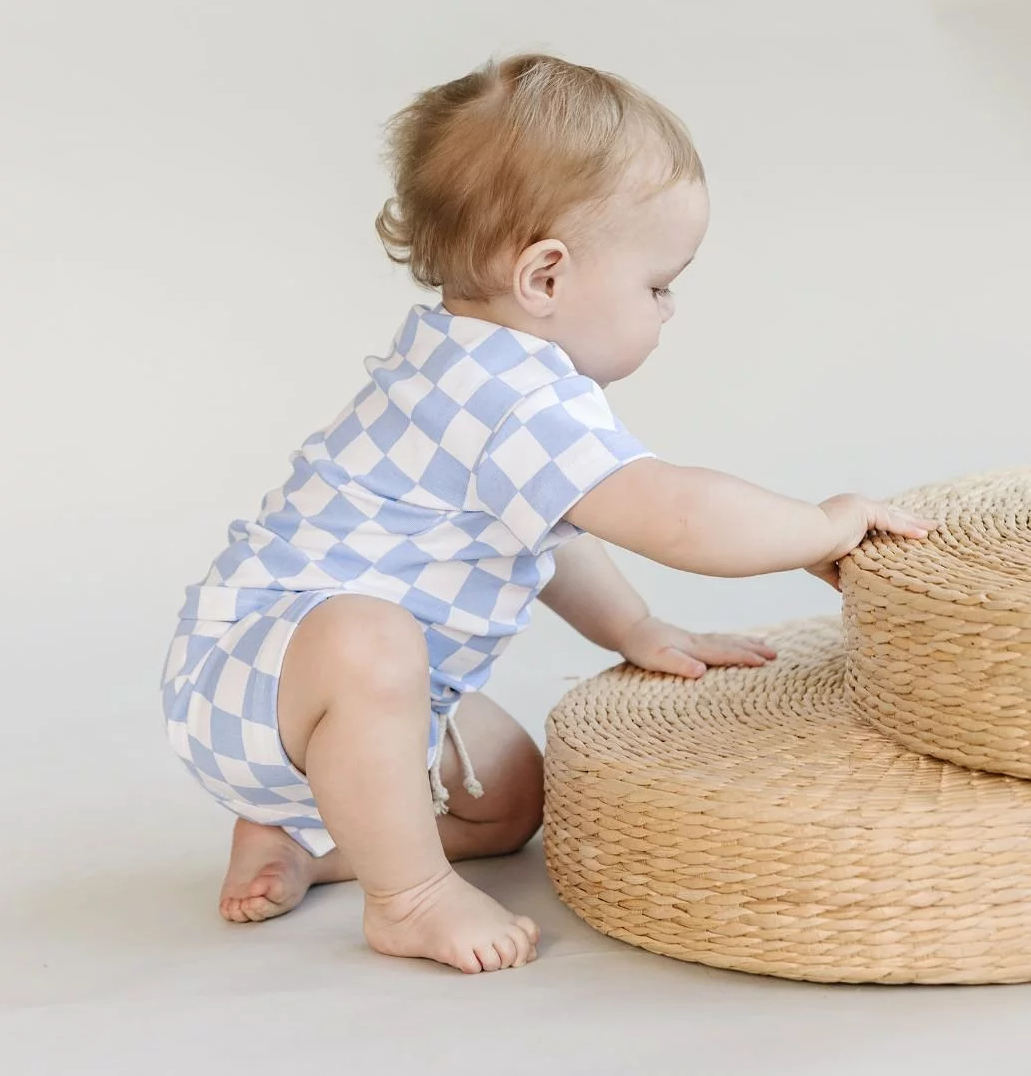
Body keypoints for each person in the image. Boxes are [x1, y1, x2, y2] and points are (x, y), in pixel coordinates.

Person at [160, 52, 938, 974]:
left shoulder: (470, 363)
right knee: (371, 640)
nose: (670, 309)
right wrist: (822, 523)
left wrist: (638, 627)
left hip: (311, 697)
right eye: (657, 284)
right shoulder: (511, 401)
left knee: (511, 800)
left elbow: (546, 534)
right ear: (545, 278)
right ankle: (406, 896)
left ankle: (301, 839)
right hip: (258, 673)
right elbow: (675, 515)